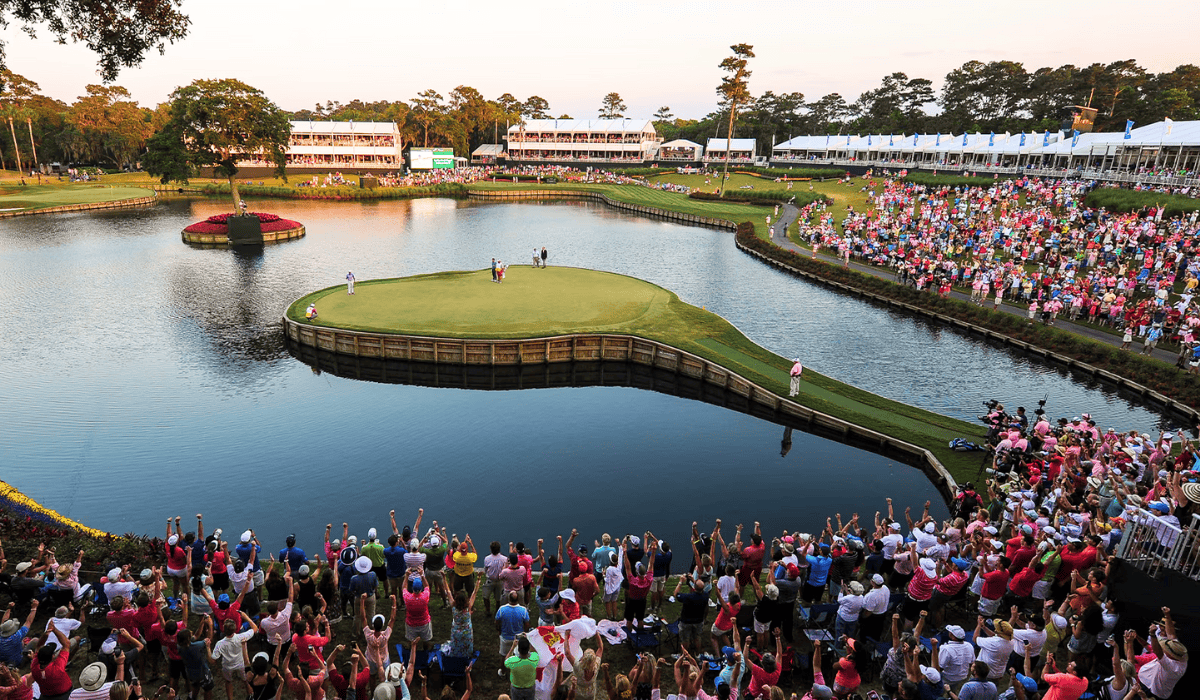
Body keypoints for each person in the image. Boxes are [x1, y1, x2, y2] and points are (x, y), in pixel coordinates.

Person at [495, 591, 529, 656]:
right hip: (518, 638)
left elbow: (497, 622)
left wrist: (499, 631)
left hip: (505, 638)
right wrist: (524, 634)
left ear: (509, 599)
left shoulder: (502, 609)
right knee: (518, 657)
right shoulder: (523, 610)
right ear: (518, 599)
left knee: (504, 656)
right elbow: (527, 625)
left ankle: (503, 666)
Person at [505, 636, 539, 700]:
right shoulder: (534, 659)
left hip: (516, 688)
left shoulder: (513, 661)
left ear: (518, 649)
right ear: (528, 648)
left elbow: (506, 659)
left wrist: (513, 647)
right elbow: (535, 652)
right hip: (530, 688)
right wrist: (530, 642)